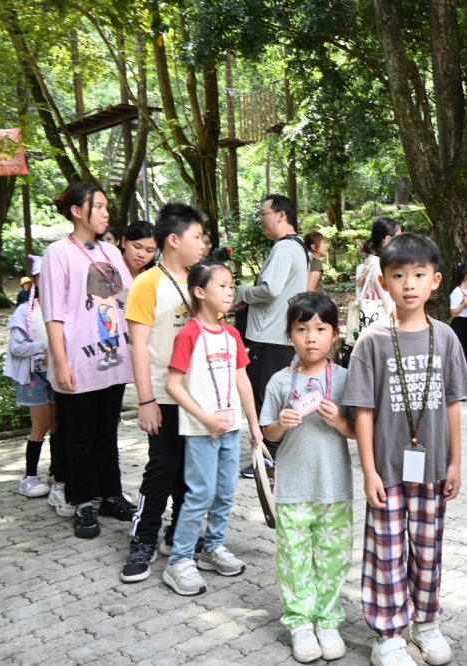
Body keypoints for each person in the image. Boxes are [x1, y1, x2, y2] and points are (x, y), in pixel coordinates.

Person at [342, 233, 467, 666]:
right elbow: (363, 411)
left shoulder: (447, 338)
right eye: (399, 276)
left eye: (419, 275)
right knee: (387, 551)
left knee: (428, 549)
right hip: (388, 470)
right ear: (384, 281)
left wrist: (455, 461)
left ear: (436, 280)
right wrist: (369, 471)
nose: (409, 284)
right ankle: (389, 635)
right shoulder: (372, 342)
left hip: (433, 468)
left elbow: (452, 402)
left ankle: (427, 624)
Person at [260, 292, 356, 663]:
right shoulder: (280, 382)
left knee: (333, 559)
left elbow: (358, 431)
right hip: (293, 489)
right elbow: (267, 434)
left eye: (320, 329)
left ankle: (328, 620)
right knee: (294, 558)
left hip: (335, 487)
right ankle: (300, 623)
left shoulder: (347, 379)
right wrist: (279, 425)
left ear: (335, 334)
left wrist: (339, 421)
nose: (311, 337)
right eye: (302, 329)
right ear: (290, 334)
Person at [41, 182, 138, 539]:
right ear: (76, 211)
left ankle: (111, 494)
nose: (105, 212)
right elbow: (53, 313)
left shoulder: (112, 253)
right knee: (79, 435)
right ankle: (82, 503)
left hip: (112, 356)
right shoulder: (58, 253)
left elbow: (126, 300)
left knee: (106, 431)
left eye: (106, 207)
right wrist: (61, 362)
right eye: (97, 206)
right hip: (77, 361)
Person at [163, 258, 262, 596]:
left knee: (224, 492)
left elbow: (242, 379)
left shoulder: (232, 334)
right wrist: (204, 418)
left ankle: (212, 548)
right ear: (200, 292)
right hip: (200, 431)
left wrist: (254, 423)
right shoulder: (190, 333)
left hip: (231, 428)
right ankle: (179, 561)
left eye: (231, 285)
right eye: (222, 285)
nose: (229, 290)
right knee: (200, 494)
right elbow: (173, 385)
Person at [121, 204, 206, 583]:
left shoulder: (201, 280)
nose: (203, 243)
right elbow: (138, 346)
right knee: (162, 468)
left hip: (198, 396)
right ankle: (143, 538)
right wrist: (146, 400)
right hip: (163, 395)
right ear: (173, 240)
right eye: (197, 237)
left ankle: (179, 534)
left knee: (191, 471)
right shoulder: (147, 283)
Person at [235, 194, 309, 477]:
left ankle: (270, 457)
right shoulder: (299, 247)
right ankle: (279, 454)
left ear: (280, 215)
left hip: (269, 337)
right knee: (277, 396)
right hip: (283, 336)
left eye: (264, 214)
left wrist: (243, 292)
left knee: (264, 398)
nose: (261, 220)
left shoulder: (283, 249)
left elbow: (269, 289)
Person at [3, 258, 57, 499]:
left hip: (58, 373)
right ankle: (29, 477)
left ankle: (57, 472)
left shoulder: (64, 308)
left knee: (57, 425)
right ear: (35, 280)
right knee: (41, 425)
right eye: (42, 276)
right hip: (33, 376)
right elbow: (16, 347)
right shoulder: (24, 311)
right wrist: (47, 345)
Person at [355, 218, 402, 312]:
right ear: (388, 239)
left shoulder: (371, 261)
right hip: (383, 322)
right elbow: (389, 304)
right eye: (399, 238)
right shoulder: (377, 264)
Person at [448, 262, 467, 378]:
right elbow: (454, 313)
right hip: (459, 325)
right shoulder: (456, 292)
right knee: (461, 355)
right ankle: (458, 383)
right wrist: (465, 303)